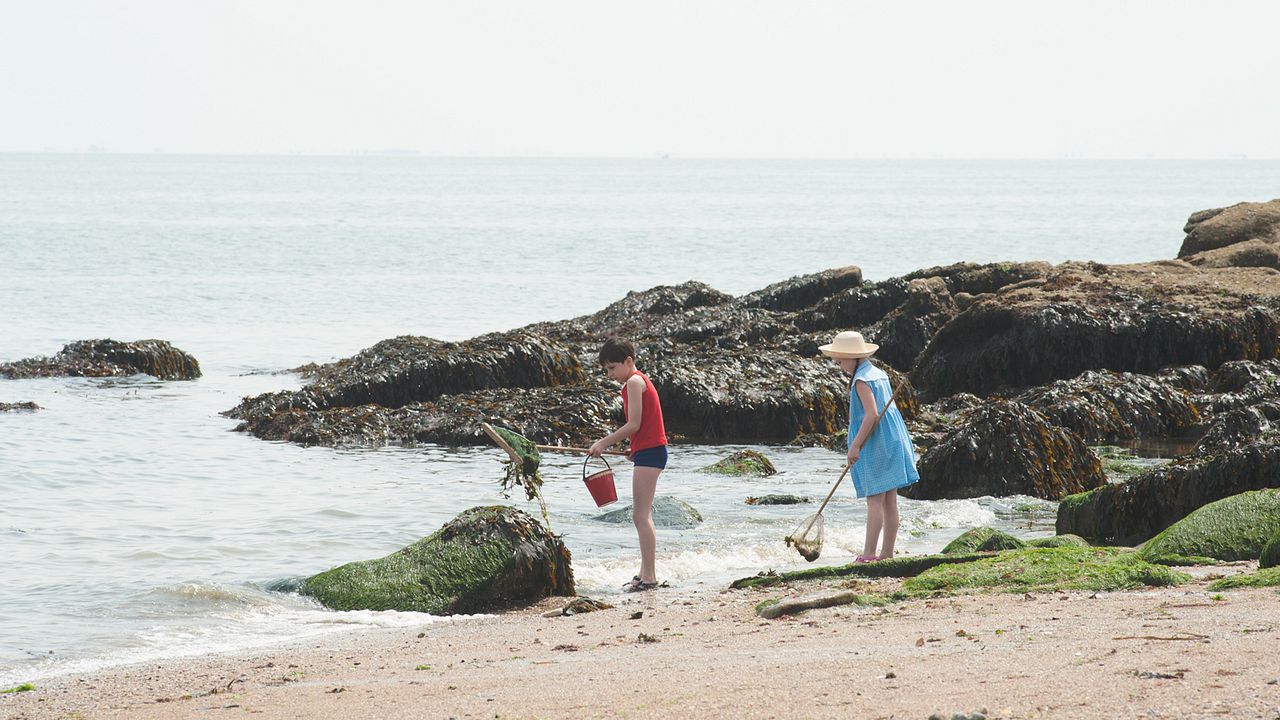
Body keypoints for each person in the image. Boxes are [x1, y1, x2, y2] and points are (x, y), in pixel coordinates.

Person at [818, 330, 919, 562]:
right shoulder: (878, 373)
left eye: (841, 360)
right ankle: (886, 553)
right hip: (893, 438)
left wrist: (855, 446)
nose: (840, 365)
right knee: (890, 499)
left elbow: (872, 415)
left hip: (876, 442)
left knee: (874, 499)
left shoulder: (861, 380)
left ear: (854, 358)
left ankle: (869, 554)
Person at [588, 337, 669, 592]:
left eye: (612, 368)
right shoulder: (636, 382)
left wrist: (603, 443)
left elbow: (633, 424)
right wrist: (634, 448)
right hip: (648, 451)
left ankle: (650, 577)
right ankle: (646, 573)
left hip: (653, 453)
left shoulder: (634, 382)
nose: (610, 374)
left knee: (640, 516)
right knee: (643, 515)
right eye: (606, 370)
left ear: (629, 361)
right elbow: (643, 427)